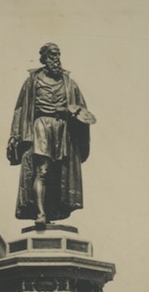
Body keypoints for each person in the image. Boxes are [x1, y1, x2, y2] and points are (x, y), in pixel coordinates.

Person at [7, 43, 95, 225]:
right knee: (42, 171)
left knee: (59, 174)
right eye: (52, 56)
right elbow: (20, 109)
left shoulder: (70, 84)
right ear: (44, 59)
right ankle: (40, 213)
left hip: (63, 129)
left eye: (58, 55)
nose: (56, 59)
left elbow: (83, 111)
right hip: (41, 126)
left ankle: (51, 211)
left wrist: (73, 113)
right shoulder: (32, 81)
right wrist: (15, 134)